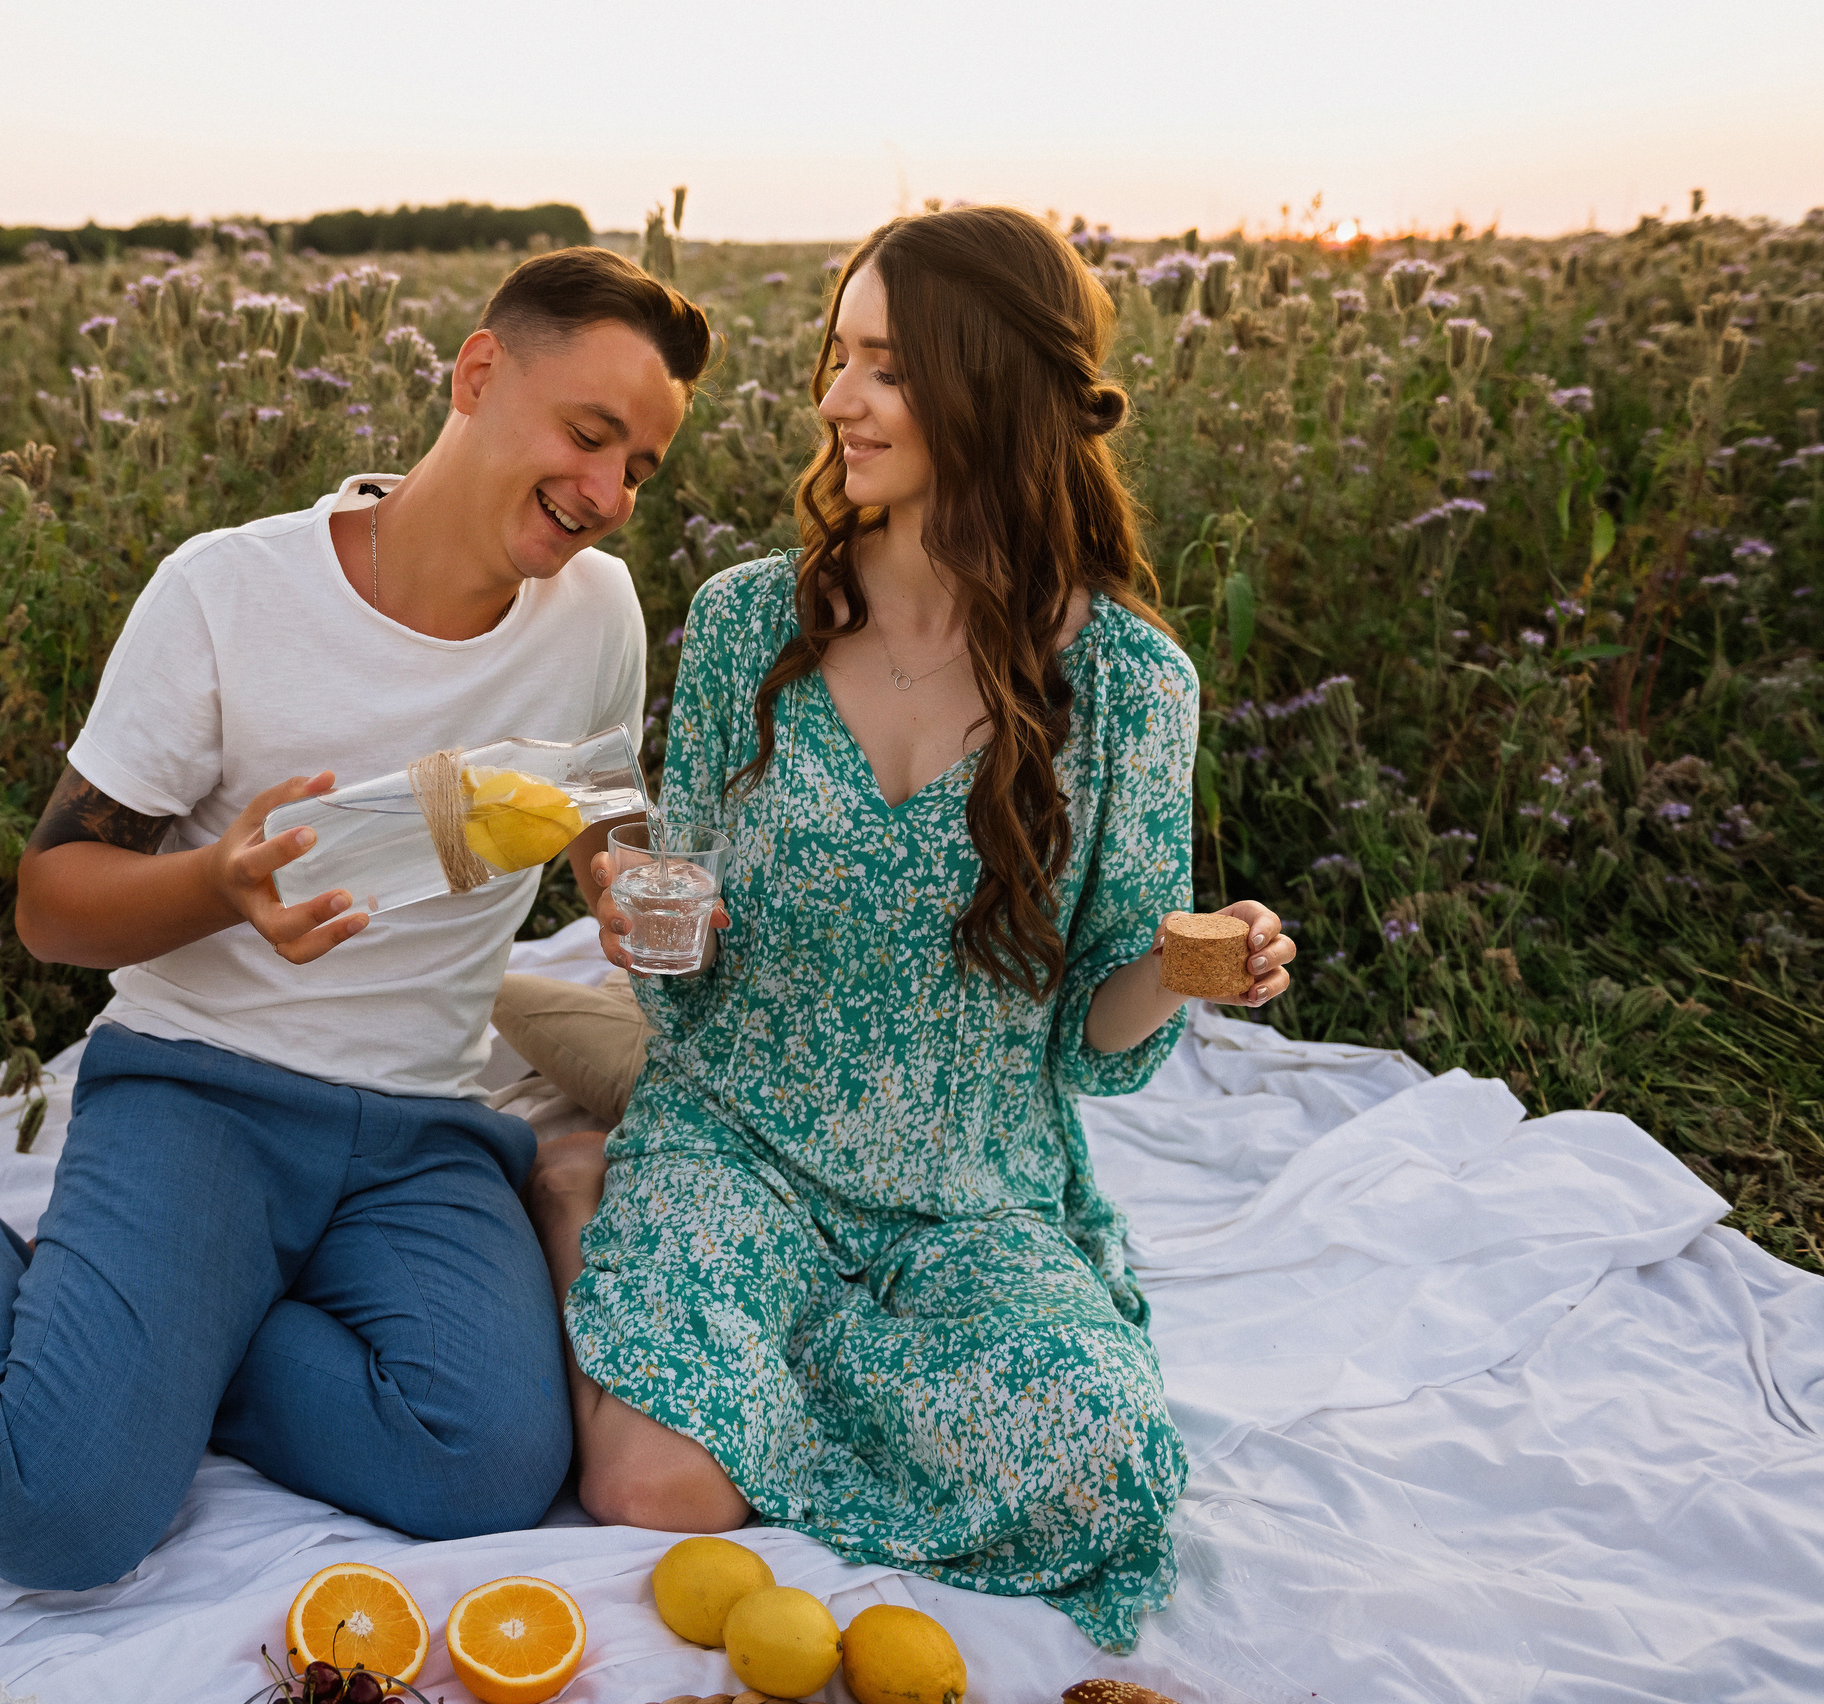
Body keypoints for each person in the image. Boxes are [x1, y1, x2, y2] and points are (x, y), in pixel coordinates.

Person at [0, 246, 710, 1589]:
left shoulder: (595, 615)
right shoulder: (229, 591)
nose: (608, 497)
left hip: (423, 1132)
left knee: (482, 1470)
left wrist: (619, 882)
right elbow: (53, 903)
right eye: (590, 436)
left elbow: (590, 815)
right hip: (203, 1094)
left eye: (641, 468)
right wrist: (215, 881)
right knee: (48, 1519)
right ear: (476, 374)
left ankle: (120, 1319)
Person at [523, 206, 1298, 1653]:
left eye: (883, 364)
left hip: (972, 1183)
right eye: (839, 356)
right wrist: (639, 918)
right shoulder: (755, 620)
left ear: (988, 380)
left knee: (1104, 1470)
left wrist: (1202, 963)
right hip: (741, 1133)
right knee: (653, 1487)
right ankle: (586, 1192)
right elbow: (685, 934)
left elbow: (1096, 1035)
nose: (835, 399)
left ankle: (785, 1348)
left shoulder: (1132, 684)